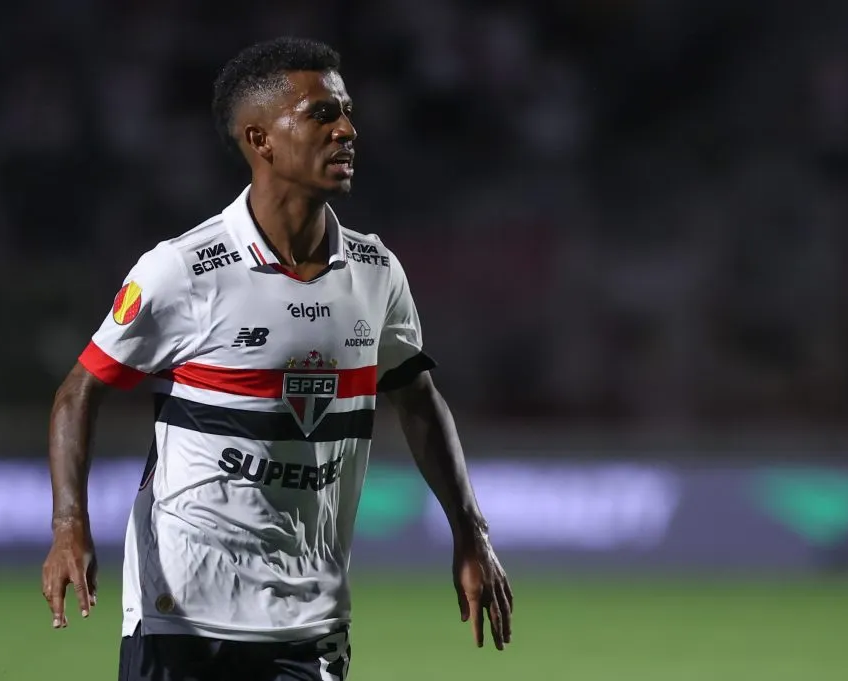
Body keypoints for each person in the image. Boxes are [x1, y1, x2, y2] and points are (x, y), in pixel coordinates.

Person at [41, 36, 512, 681]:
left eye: (346, 111)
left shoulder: (375, 272)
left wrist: (470, 530)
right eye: (322, 114)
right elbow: (79, 389)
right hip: (181, 613)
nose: (347, 129)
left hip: (309, 619)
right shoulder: (183, 270)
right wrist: (70, 524)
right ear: (260, 141)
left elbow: (418, 398)